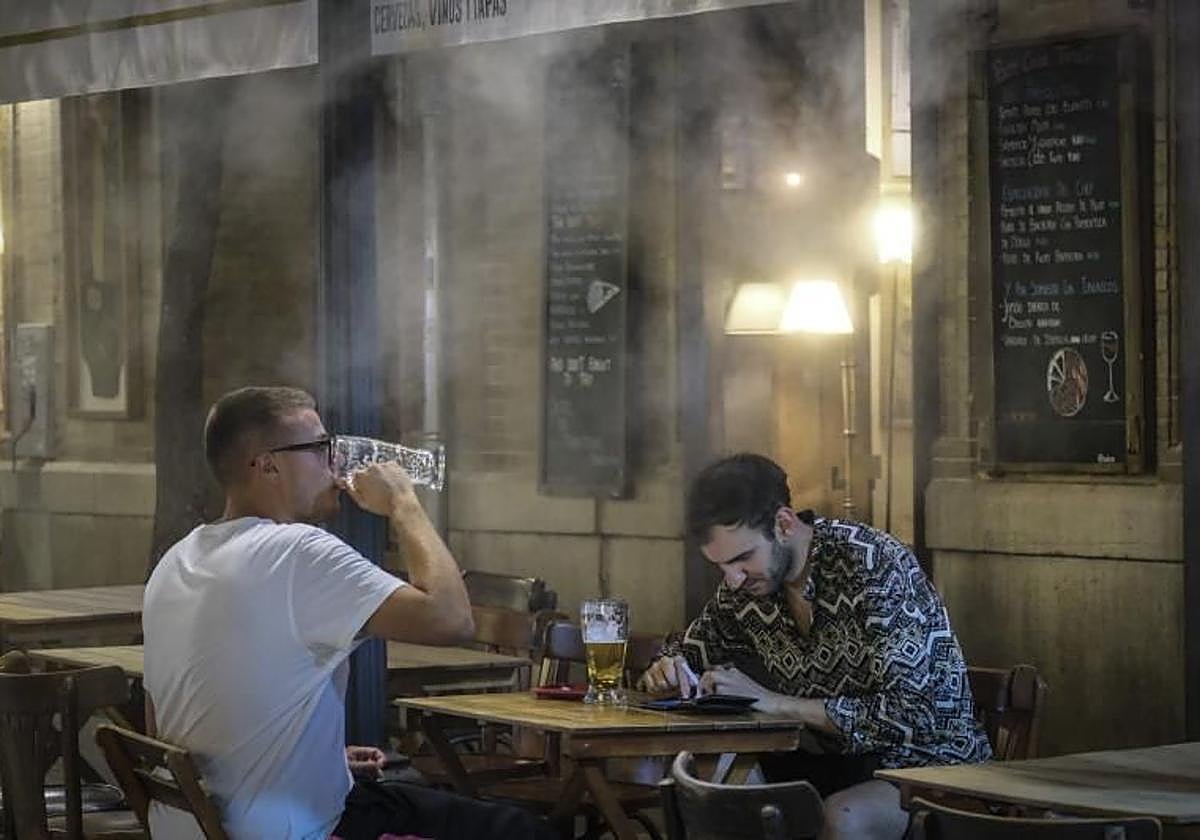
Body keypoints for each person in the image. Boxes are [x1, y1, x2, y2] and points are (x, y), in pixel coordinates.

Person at [143, 386, 552, 839]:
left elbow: (168, 718)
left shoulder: (178, 559)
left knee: (414, 797)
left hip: (187, 826)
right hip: (290, 829)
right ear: (268, 465)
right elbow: (452, 619)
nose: (336, 463)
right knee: (522, 832)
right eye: (320, 448)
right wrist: (403, 503)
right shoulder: (296, 551)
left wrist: (318, 759)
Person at [639, 453, 990, 840]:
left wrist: (773, 702)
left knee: (842, 819)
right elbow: (689, 651)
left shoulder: (872, 564)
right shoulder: (745, 590)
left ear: (784, 524)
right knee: (710, 789)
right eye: (720, 567)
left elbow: (910, 715)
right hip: (827, 766)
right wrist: (668, 667)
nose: (734, 579)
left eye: (743, 559)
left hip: (927, 767)